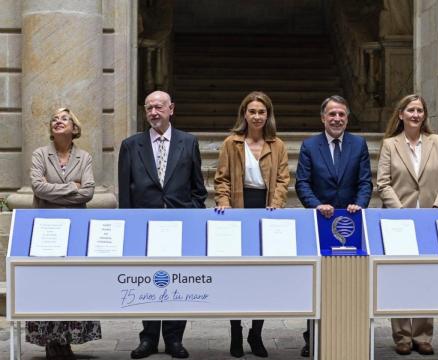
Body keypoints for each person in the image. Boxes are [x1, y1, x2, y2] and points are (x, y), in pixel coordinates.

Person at [118, 91, 207, 359]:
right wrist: (129, 224)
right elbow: (125, 191)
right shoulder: (131, 145)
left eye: (159, 107)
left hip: (180, 226)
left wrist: (190, 214)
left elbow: (198, 189)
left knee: (177, 280)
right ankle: (148, 338)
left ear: (171, 109)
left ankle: (174, 339)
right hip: (144, 227)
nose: (154, 112)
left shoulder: (188, 142)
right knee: (148, 281)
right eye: (149, 108)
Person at [295, 95, 373, 357]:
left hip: (351, 224)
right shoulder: (309, 145)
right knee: (318, 284)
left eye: (341, 114)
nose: (337, 119)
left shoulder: (358, 144)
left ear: (347, 118)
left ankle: (349, 334)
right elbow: (302, 183)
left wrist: (360, 204)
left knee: (351, 282)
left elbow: (365, 182)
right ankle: (312, 337)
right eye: (332, 114)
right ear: (323, 118)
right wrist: (316, 205)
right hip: (321, 224)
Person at [214, 91, 290, 358]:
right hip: (238, 209)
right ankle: (235, 330)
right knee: (236, 274)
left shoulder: (277, 144)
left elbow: (282, 179)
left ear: (268, 115)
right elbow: (221, 179)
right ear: (244, 114)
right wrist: (224, 203)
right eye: (252, 111)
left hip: (267, 210)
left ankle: (256, 332)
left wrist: (277, 204)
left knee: (264, 275)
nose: (257, 116)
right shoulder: (231, 143)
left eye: (261, 112)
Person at [377, 94, 438, 356]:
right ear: (401, 114)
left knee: (425, 277)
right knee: (399, 277)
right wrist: (400, 213)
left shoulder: (436, 142)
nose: (415, 114)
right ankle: (402, 336)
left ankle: (422, 335)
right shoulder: (390, 145)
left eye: (420, 110)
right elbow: (383, 183)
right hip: (398, 221)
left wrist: (435, 209)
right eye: (410, 110)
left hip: (429, 221)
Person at [28, 107, 100, 360]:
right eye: (54, 119)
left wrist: (54, 190)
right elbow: (37, 187)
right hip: (46, 229)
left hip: (75, 231)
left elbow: (89, 192)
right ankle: (50, 342)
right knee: (48, 285)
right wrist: (72, 187)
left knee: (72, 285)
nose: (58, 121)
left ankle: (67, 340)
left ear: (75, 128)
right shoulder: (40, 154)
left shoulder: (85, 157)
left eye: (64, 119)